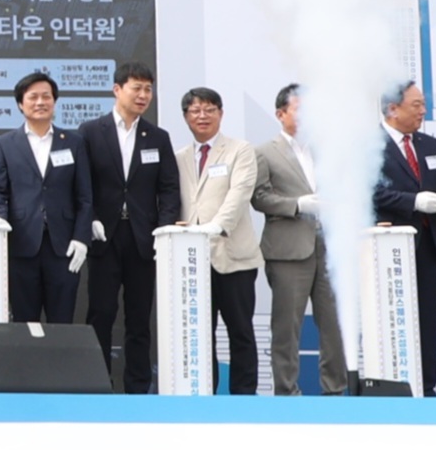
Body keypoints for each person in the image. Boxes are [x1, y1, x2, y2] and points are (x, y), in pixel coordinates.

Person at [76, 63, 179, 393]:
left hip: (143, 239)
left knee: (139, 317)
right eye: (137, 88)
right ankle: (97, 384)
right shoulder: (90, 132)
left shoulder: (158, 137)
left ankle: (138, 387)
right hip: (103, 237)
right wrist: (89, 218)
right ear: (117, 89)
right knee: (100, 313)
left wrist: (163, 230)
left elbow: (169, 189)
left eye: (148, 89)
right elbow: (82, 184)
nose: (143, 95)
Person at [251, 84, 347, 396]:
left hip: (329, 248)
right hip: (289, 249)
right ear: (280, 114)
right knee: (286, 327)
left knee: (334, 325)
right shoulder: (264, 152)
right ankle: (287, 393)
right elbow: (259, 197)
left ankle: (335, 391)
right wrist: (296, 205)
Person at [172, 86, 261, 396]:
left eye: (210, 109)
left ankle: (244, 397)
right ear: (185, 117)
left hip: (233, 256)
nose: (203, 116)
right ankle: (204, 396)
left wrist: (217, 226)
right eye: (195, 110)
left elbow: (240, 193)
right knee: (199, 334)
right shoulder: (179, 157)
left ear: (221, 113)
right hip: (193, 262)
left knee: (240, 331)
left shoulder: (240, 150)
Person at [0, 71, 92, 327]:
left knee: (62, 321)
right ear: (20, 104)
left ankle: (60, 357)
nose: (40, 102)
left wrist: (81, 238)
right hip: (21, 244)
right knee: (25, 322)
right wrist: (0, 225)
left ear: (55, 102)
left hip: (64, 246)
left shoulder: (74, 142)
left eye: (46, 96)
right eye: (33, 97)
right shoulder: (5, 144)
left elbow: (85, 196)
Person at [372, 80, 436, 390]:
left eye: (423, 104)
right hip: (390, 247)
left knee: (428, 320)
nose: (423, 111)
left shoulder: (428, 144)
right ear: (393, 109)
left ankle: (427, 388)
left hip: (429, 245)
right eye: (416, 105)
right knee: (393, 320)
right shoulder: (368, 145)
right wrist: (414, 201)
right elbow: (370, 191)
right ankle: (395, 387)